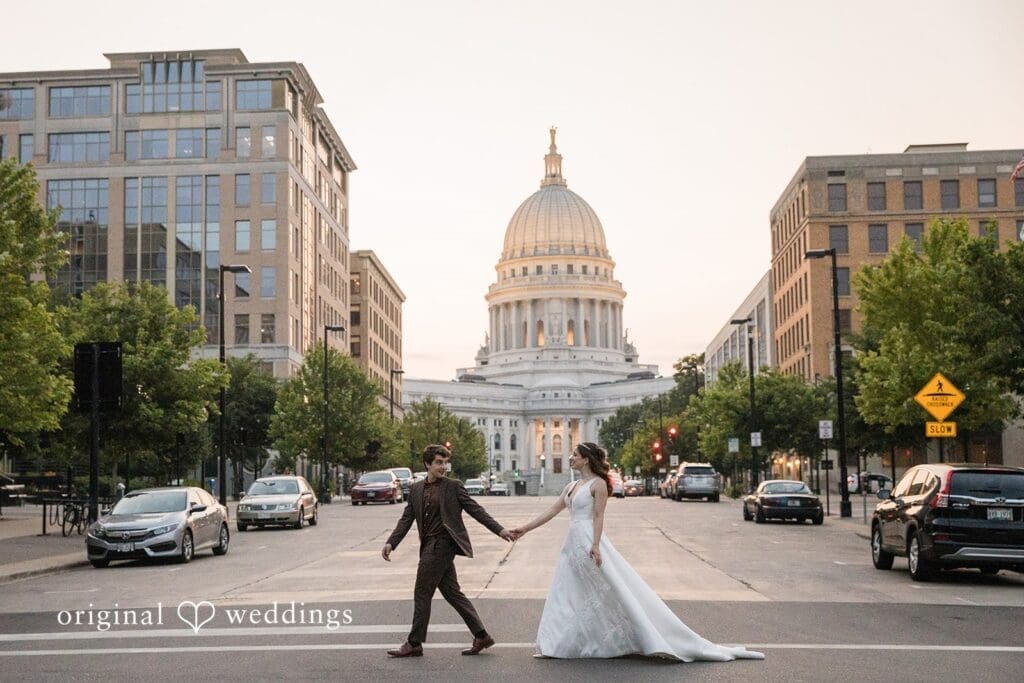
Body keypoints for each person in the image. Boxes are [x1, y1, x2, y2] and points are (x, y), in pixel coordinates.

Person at [511, 442, 764, 662]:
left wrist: (596, 545)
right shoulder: (572, 486)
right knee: (568, 592)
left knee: (614, 589)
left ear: (586, 459)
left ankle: (638, 635)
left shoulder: (598, 485)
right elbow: (551, 512)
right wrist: (524, 528)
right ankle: (563, 643)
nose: (571, 458)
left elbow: (598, 516)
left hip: (588, 540)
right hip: (571, 544)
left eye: (575, 455)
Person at [382, 444, 516, 657]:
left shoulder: (453, 486)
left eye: (445, 463)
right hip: (429, 545)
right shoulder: (416, 489)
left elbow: (475, 510)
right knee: (453, 593)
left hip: (442, 544)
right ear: (427, 464)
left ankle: (414, 643)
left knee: (422, 592)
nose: (443, 467)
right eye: (438, 462)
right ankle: (481, 635)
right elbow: (407, 518)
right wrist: (392, 542)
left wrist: (499, 530)